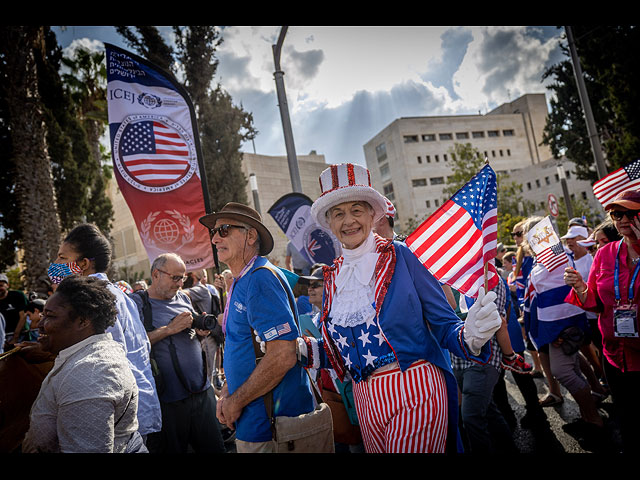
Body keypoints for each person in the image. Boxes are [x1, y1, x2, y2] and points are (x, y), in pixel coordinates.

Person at [297, 163, 502, 453]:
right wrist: (300, 349)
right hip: (364, 400)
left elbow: (445, 326)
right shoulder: (333, 277)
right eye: (339, 213)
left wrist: (471, 335)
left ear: (372, 213)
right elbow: (340, 352)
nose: (349, 220)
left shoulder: (402, 256)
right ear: (329, 223)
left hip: (414, 389)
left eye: (357, 209)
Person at [198, 203, 316, 453]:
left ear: (251, 236)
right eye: (214, 232)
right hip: (258, 424)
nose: (215, 238)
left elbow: (283, 354)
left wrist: (235, 402)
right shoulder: (245, 279)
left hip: (273, 429)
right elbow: (246, 346)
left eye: (225, 229)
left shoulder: (260, 278)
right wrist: (230, 390)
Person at [47, 223, 162, 441]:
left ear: (82, 264)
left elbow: (100, 361)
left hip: (119, 417)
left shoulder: (97, 300)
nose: (55, 265)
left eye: (62, 258)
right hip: (128, 409)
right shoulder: (113, 293)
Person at [21, 275, 145, 453]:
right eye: (42, 315)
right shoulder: (84, 357)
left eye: (49, 316)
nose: (39, 325)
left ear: (83, 321)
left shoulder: (90, 374)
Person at [564, 189, 640, 453]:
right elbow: (595, 302)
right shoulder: (606, 253)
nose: (621, 219)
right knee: (627, 418)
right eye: (616, 214)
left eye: (630, 213)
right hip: (614, 356)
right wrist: (581, 287)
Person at [130, 253, 225, 454]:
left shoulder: (183, 297)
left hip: (201, 392)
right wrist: (169, 329)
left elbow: (190, 335)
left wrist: (200, 332)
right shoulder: (138, 303)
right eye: (175, 278)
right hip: (167, 401)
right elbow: (132, 346)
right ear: (156, 274)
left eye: (182, 278)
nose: (180, 283)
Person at [521, 216, 604, 442]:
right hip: (555, 330)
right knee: (573, 365)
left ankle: (593, 418)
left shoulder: (556, 259)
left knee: (563, 371)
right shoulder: (544, 261)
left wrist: (557, 331)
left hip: (562, 330)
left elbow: (561, 297)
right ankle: (590, 412)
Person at [452, 279, 518, 453]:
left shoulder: (489, 277)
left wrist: (509, 354)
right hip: (458, 357)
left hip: (482, 358)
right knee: (486, 409)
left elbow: (499, 322)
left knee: (471, 417)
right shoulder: (454, 276)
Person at [0, 273, 28, 347]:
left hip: (21, 335)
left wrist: (15, 337)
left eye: (1, 285)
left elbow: (23, 316)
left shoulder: (17, 295)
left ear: (7, 285)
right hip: (3, 337)